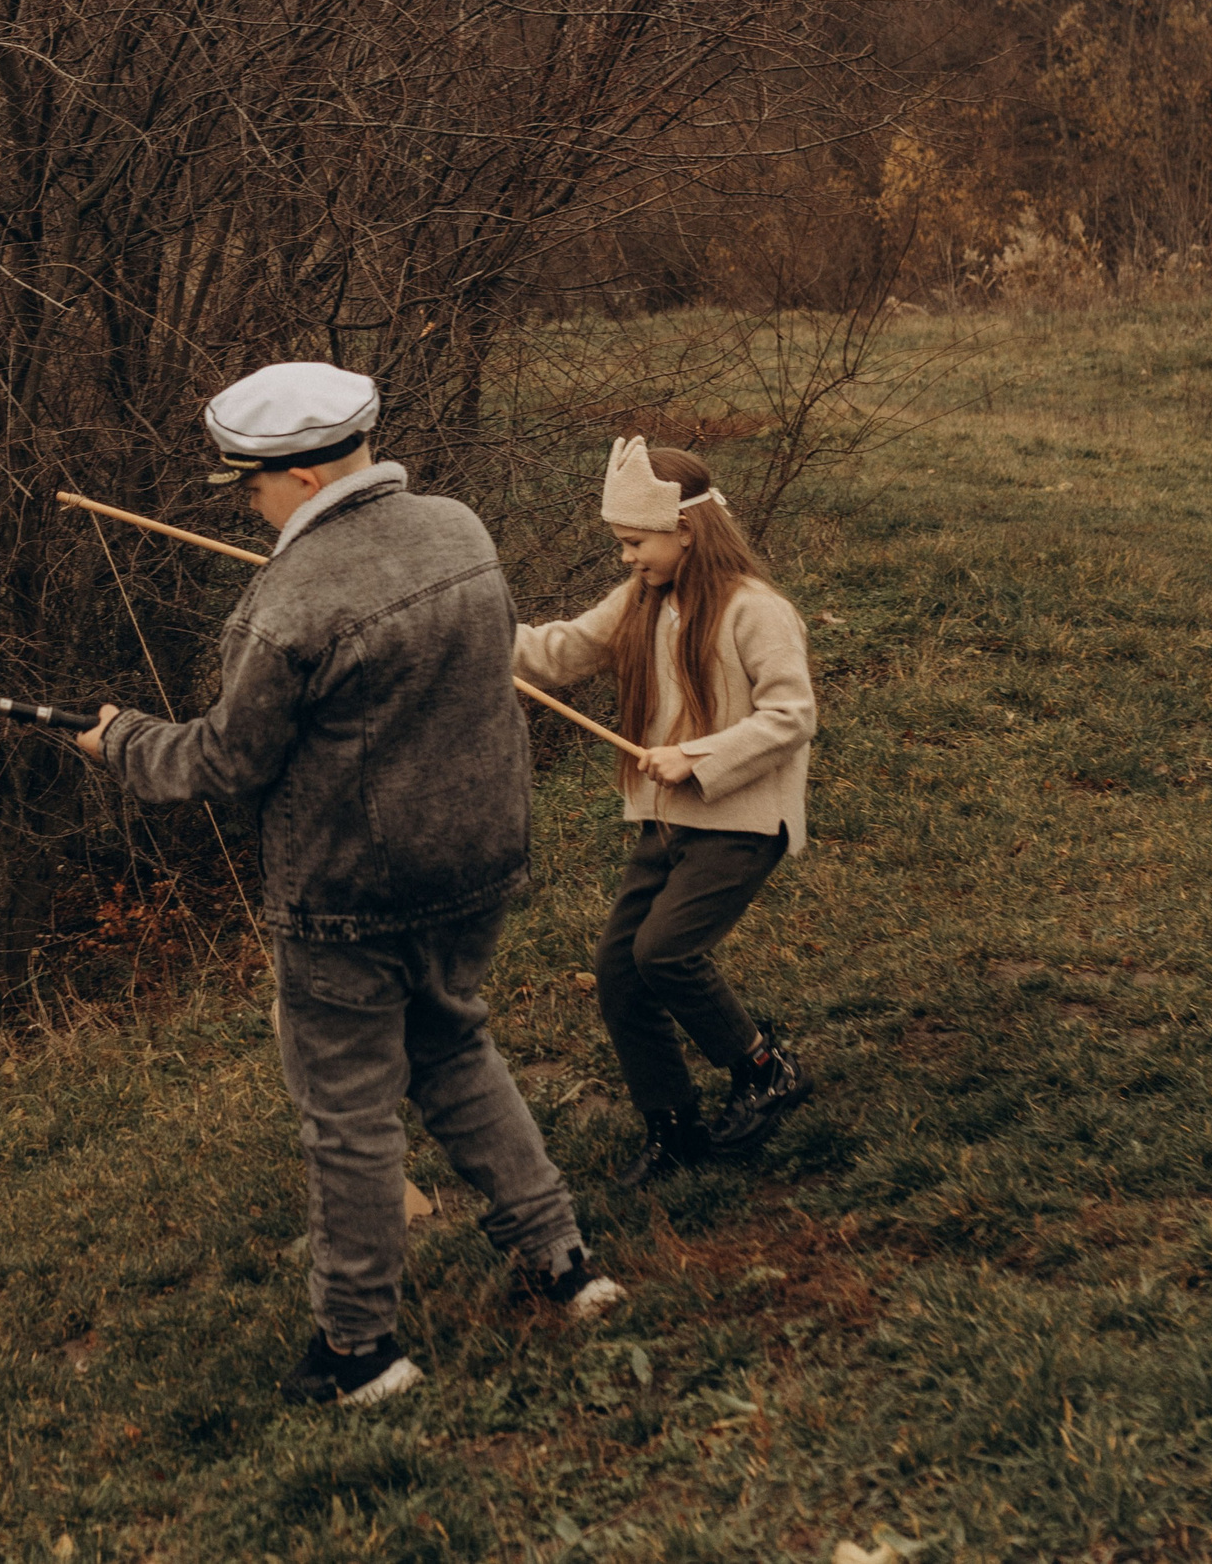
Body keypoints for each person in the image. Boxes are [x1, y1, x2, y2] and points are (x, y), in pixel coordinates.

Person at [77, 361, 621, 1408]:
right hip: (478, 861)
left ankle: (359, 1350)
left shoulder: (281, 607)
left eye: (250, 484)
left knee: (349, 1116)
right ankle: (563, 1264)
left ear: (298, 473)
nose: (248, 501)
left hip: (349, 898)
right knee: (452, 1044)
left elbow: (222, 764)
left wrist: (121, 741)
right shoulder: (460, 531)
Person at [512, 438, 816, 1189]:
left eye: (634, 542)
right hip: (667, 823)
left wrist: (699, 755)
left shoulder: (757, 610)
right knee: (620, 971)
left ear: (686, 530)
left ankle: (763, 1067)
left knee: (666, 953)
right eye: (621, 543)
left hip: (742, 821)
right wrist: (463, 631)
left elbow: (792, 714)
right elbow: (561, 650)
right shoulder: (642, 604)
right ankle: (673, 1123)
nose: (625, 558)